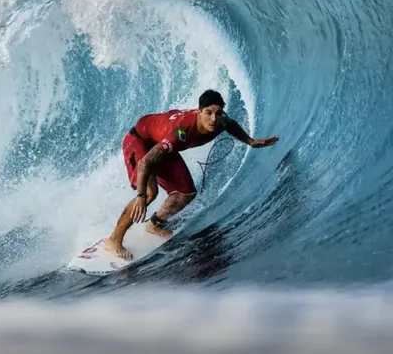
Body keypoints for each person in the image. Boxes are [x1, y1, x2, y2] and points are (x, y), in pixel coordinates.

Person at [104, 89, 279, 259]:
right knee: (150, 193)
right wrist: (141, 196)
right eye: (208, 113)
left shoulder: (221, 120)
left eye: (218, 113)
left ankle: (154, 224)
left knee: (186, 193)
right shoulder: (181, 132)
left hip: (160, 144)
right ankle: (114, 240)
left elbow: (231, 124)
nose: (213, 119)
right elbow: (145, 162)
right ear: (199, 112)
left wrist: (250, 141)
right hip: (140, 140)